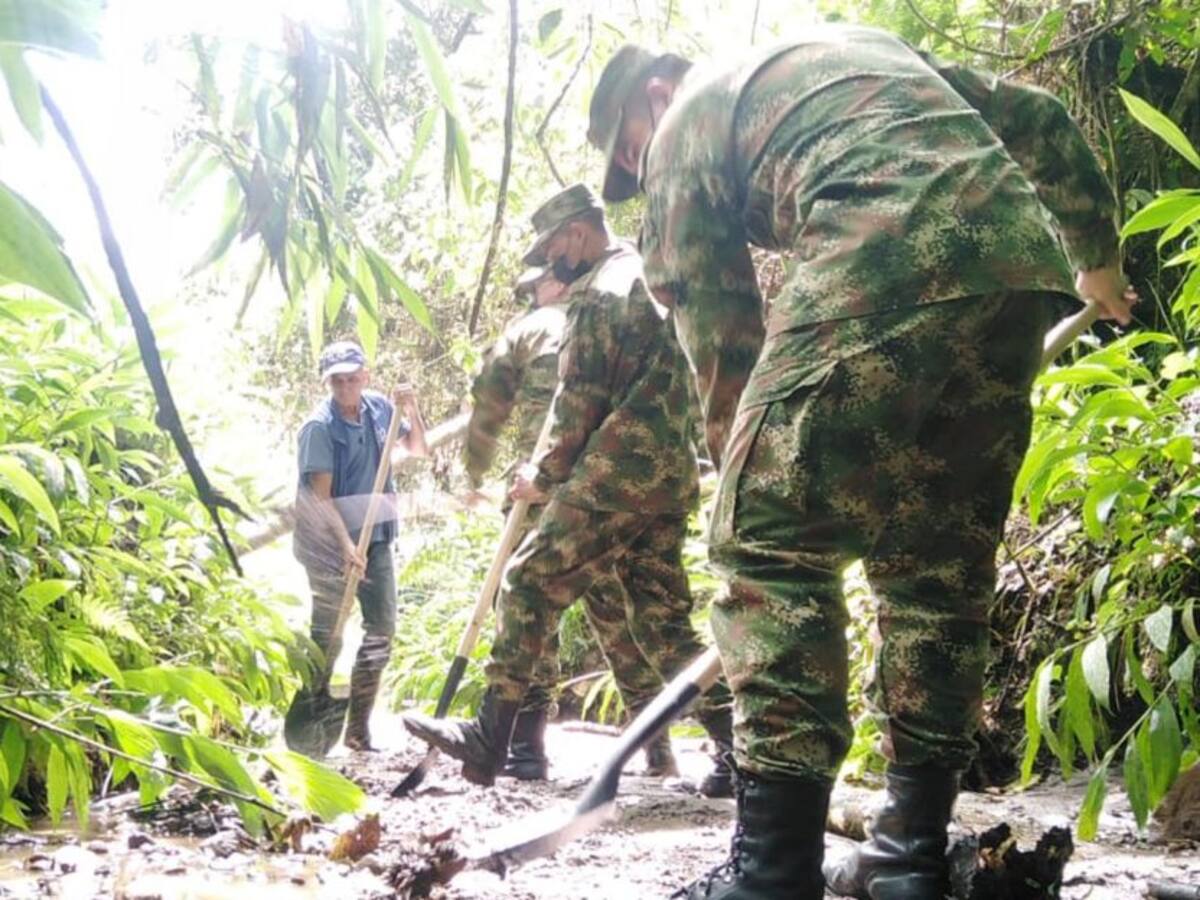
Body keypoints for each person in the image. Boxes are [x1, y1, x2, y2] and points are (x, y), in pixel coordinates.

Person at [589, 28, 1138, 899]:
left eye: (629, 146)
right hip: (1014, 267)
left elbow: (719, 333)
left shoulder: (687, 122)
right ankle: (909, 854)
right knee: (936, 567)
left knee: (769, 545)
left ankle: (771, 872)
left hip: (875, 251)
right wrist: (1096, 258)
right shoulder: (854, 51)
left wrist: (754, 481)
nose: (638, 162)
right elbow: (1035, 116)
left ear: (654, 95)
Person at [403, 184, 735, 791]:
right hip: (666, 477)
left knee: (528, 581)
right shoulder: (648, 276)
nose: (553, 259)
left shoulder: (599, 295)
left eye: (555, 246)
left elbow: (579, 400)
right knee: (663, 626)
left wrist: (544, 474)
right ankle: (743, 751)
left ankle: (489, 739)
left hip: (614, 474)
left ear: (578, 233)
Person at [464, 266, 698, 784]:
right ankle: (660, 750)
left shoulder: (543, 326)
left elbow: (493, 400)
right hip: (614, 485)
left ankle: (524, 749)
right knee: (624, 622)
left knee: (530, 609)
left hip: (557, 487)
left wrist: (479, 463)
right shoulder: (626, 314)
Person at [294, 340, 427, 752]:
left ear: (365, 377)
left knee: (381, 630)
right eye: (338, 381)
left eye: (353, 378)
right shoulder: (319, 427)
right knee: (328, 635)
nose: (347, 387)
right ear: (328, 382)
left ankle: (358, 730)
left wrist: (412, 411)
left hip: (377, 537)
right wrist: (346, 545)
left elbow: (418, 449)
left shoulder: (380, 410)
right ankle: (311, 721)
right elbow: (320, 497)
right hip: (327, 542)